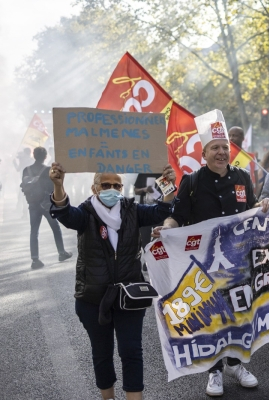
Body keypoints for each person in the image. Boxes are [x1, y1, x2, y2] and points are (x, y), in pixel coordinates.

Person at [154, 110, 269, 397]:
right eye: (215, 148)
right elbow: (177, 218)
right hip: (205, 263)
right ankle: (215, 371)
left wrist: (265, 204)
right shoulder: (192, 182)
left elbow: (252, 211)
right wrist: (165, 229)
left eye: (224, 148)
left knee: (239, 314)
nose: (222, 152)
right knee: (212, 317)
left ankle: (237, 364)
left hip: (239, 260)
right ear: (205, 152)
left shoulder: (243, 177)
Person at [49, 161, 176, 400]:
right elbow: (64, 213)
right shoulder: (85, 214)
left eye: (117, 185)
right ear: (94, 188)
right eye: (105, 184)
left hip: (130, 298)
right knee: (102, 353)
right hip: (93, 299)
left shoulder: (132, 210)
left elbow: (162, 211)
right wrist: (58, 185)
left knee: (132, 352)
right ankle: (108, 397)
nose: (112, 189)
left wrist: (168, 182)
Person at [22, 147, 71, 269]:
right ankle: (61, 253)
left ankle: (35, 259)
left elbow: (24, 187)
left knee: (34, 231)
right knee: (55, 227)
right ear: (45, 157)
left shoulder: (26, 170)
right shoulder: (48, 170)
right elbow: (53, 188)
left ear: (34, 155)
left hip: (32, 204)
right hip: (46, 205)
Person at [133, 173, 162, 248]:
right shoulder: (143, 174)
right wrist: (144, 189)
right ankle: (147, 254)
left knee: (159, 237)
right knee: (144, 238)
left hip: (159, 211)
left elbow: (168, 191)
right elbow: (136, 191)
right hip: (144, 212)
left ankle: (154, 256)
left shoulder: (161, 175)